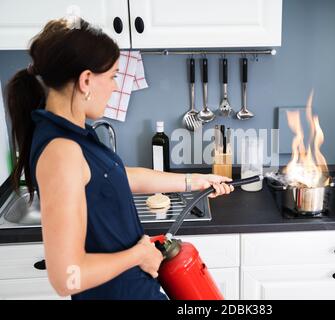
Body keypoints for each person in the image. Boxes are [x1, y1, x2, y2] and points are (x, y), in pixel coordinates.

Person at [6, 18, 234, 300]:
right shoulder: (61, 151)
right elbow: (67, 278)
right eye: (113, 76)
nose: (115, 87)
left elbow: (118, 177)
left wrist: (195, 180)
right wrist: (137, 255)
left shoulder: (74, 134)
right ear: (86, 80)